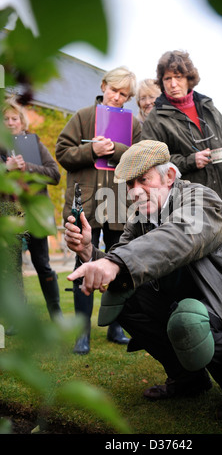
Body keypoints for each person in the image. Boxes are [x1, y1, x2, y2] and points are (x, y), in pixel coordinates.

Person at [64, 140, 222, 423]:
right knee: (122, 295)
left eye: (144, 180)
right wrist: (88, 252)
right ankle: (188, 379)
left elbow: (177, 238)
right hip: (185, 303)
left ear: (169, 176)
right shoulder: (140, 215)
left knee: (187, 320)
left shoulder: (202, 200)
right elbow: (125, 259)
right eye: (130, 185)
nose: (136, 191)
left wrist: (115, 263)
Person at [56, 66, 141, 354]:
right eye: (114, 90)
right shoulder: (82, 116)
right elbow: (63, 153)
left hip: (118, 200)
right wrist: (92, 151)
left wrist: (114, 149)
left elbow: (141, 159)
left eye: (124, 95)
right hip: (85, 201)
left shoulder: (134, 124)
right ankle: (83, 334)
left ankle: (116, 325)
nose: (118, 97)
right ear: (104, 85)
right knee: (83, 264)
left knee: (116, 263)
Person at [141, 50, 222, 219]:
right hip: (187, 206)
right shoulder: (156, 118)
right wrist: (190, 161)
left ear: (189, 79)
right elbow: (151, 162)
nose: (173, 84)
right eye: (167, 78)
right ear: (162, 82)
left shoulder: (210, 109)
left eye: (178, 77)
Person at [1, 97, 63, 322]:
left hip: (34, 214)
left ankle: (56, 315)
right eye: (5, 118)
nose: (10, 122)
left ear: (22, 121)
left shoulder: (33, 143)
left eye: (14, 118)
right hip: (8, 215)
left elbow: (54, 174)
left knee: (43, 265)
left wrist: (27, 166)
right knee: (12, 269)